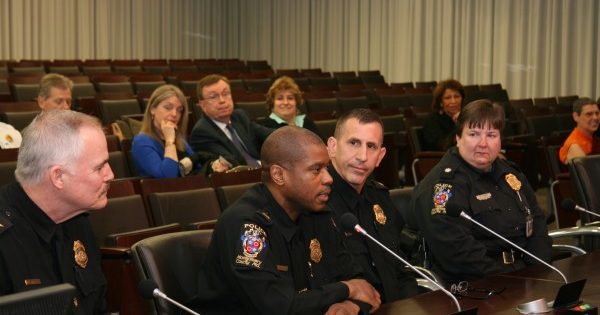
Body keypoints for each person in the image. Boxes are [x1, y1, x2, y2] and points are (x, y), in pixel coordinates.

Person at [193, 126, 381, 315]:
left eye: (327, 168)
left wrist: (352, 305)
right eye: (316, 170)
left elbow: (362, 284)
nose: (328, 178)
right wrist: (346, 289)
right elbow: (276, 308)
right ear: (279, 175)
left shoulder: (317, 213)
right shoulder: (248, 226)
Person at [408, 99, 552, 285]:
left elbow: (537, 223)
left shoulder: (510, 174)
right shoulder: (443, 186)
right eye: (474, 134)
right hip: (477, 285)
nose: (483, 143)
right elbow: (458, 254)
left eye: (491, 135)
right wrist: (513, 281)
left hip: (525, 275)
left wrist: (537, 270)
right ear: (458, 138)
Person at [0, 110, 114, 314]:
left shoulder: (76, 218)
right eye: (100, 167)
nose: (110, 175)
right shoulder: (5, 241)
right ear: (58, 177)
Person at [326, 108, 419, 303]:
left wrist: (411, 305)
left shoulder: (380, 197)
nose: (362, 156)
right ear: (332, 147)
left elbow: (401, 265)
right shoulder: (317, 201)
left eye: (371, 146)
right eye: (354, 143)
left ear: (381, 155)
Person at [189, 74, 273, 169]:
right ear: (202, 105)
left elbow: (268, 134)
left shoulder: (239, 116)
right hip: (243, 177)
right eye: (213, 97)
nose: (222, 100)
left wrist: (290, 134)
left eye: (225, 94)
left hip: (262, 168)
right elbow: (231, 161)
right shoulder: (202, 132)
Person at [132, 84, 216, 178]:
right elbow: (168, 177)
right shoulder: (142, 141)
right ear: (152, 109)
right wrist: (169, 141)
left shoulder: (180, 140)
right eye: (168, 108)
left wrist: (213, 168)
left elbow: (197, 169)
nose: (174, 114)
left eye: (179, 110)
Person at [0, 73, 73, 149]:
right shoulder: (30, 137)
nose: (66, 107)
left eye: (68, 102)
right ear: (41, 102)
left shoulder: (78, 130)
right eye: (58, 101)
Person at [421, 79, 465, 151]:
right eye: (447, 98)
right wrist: (459, 124)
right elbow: (443, 147)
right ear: (440, 102)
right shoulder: (432, 120)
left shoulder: (467, 116)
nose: (453, 101)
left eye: (456, 96)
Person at [558, 97, 600, 164]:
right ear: (576, 117)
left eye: (597, 113)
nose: (595, 117)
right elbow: (589, 172)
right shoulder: (574, 145)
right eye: (589, 114)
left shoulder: (594, 138)